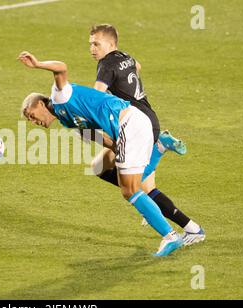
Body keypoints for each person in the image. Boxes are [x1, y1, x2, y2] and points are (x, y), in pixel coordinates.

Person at [17, 51, 184, 256]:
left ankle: (171, 236)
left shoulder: (59, 97)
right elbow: (103, 140)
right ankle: (159, 150)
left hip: (128, 122)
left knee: (129, 189)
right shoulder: (68, 121)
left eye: (32, 116)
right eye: (31, 121)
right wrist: (120, 150)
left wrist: (37, 64)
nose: (35, 122)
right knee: (129, 184)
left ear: (41, 104)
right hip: (129, 127)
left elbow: (61, 67)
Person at [88, 24, 205, 245]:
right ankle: (193, 229)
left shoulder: (106, 64)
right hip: (150, 119)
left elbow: (95, 99)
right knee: (144, 188)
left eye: (96, 43)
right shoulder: (125, 57)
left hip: (135, 127)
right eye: (90, 44)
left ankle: (160, 148)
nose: (92, 49)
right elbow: (137, 67)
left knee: (118, 179)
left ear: (110, 44)